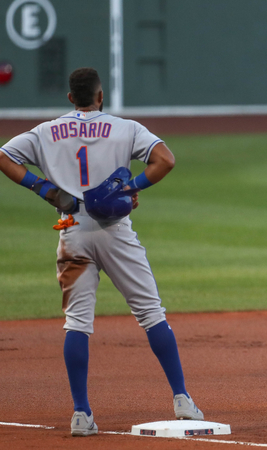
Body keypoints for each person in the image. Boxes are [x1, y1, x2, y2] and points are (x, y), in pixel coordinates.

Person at [0, 68, 204, 435]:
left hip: (71, 232)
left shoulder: (46, 131)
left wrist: (42, 187)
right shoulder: (124, 127)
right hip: (115, 233)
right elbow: (166, 160)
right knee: (150, 313)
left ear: (69, 98)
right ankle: (182, 399)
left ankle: (81, 414)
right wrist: (128, 189)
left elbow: (3, 157)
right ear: (100, 97)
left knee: (77, 323)